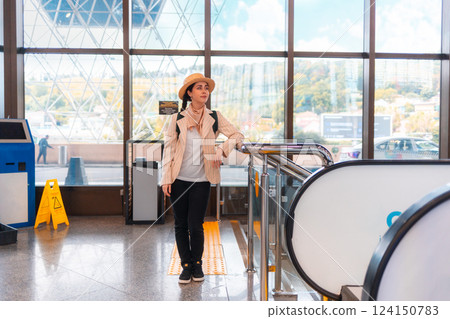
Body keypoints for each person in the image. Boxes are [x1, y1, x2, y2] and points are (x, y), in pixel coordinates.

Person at [161, 73, 244, 284]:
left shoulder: (214, 116)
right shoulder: (177, 118)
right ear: (189, 93)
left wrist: (221, 150)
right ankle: (185, 266)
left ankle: (197, 264)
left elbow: (237, 135)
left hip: (202, 180)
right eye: (199, 87)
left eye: (206, 88)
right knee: (180, 224)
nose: (204, 91)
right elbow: (168, 149)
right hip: (178, 179)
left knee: (196, 225)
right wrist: (166, 179)